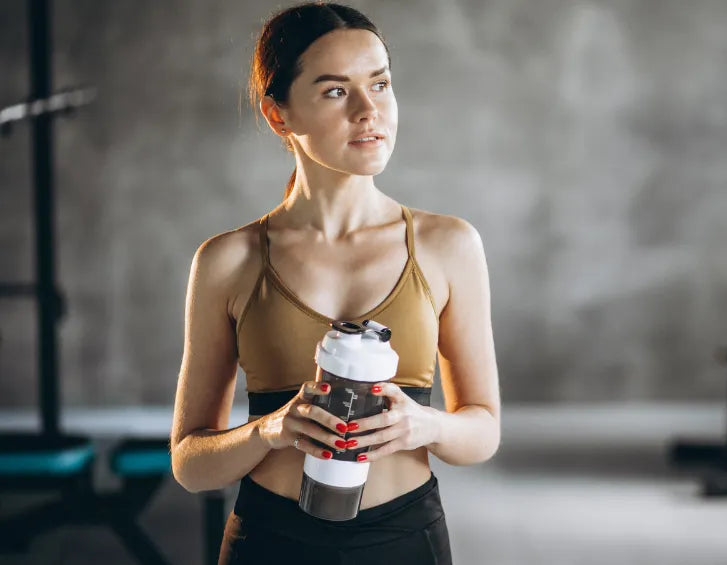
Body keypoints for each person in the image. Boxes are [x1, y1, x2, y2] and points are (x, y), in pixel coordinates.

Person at [168, 3, 501, 563]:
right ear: (279, 116)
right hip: (270, 541)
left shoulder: (449, 246)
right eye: (335, 91)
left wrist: (421, 425)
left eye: (380, 83)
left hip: (404, 537)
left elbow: (483, 432)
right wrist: (269, 431)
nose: (369, 110)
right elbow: (190, 465)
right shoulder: (228, 261)